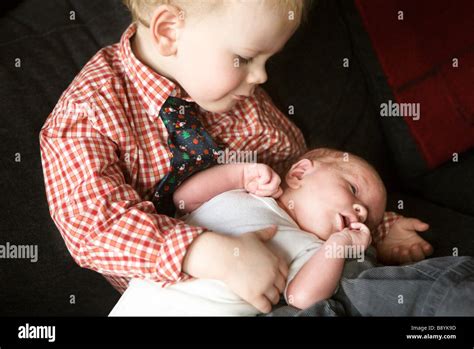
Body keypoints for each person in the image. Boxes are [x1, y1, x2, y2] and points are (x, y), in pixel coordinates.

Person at [39, 0, 431, 314]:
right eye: (246, 58)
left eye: (268, 60)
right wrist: (207, 253)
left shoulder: (238, 96)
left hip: (287, 273)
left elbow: (302, 179)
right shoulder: (87, 113)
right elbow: (93, 224)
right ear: (168, 32)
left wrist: (375, 223)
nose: (261, 78)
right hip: (178, 296)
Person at [110, 148, 387, 316]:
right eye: (353, 189)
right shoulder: (248, 193)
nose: (361, 211)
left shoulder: (313, 251)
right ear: (300, 173)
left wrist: (339, 244)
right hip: (141, 303)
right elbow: (184, 198)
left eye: (368, 218)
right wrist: (239, 175)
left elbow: (300, 298)